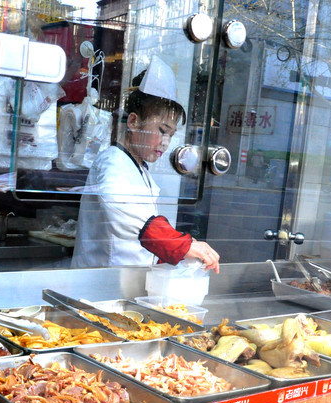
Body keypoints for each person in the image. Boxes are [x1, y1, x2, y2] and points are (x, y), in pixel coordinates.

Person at [72, 56, 221, 271]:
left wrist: (187, 247)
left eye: (170, 135)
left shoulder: (138, 167)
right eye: (161, 131)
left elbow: (146, 236)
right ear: (133, 122)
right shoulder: (112, 161)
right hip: (101, 284)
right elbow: (125, 211)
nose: (165, 143)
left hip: (125, 284)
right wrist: (179, 243)